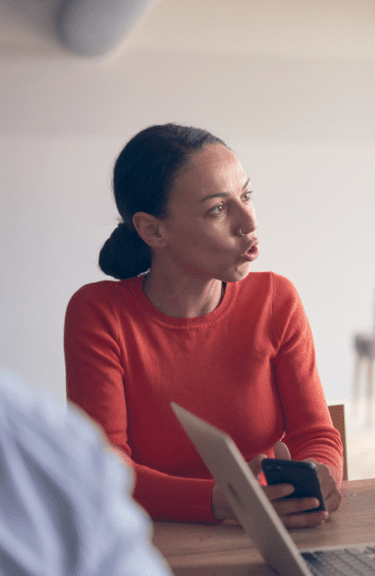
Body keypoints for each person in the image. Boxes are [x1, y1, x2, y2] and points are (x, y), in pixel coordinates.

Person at [64, 123, 343, 527]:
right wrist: (219, 501)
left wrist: (321, 477)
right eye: (218, 208)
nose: (249, 222)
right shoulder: (99, 313)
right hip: (151, 545)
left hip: (273, 532)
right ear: (153, 230)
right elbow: (103, 468)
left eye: (246, 196)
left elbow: (316, 435)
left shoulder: (276, 299)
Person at [0, 367, 171, 576]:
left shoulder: (39, 442)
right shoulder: (32, 441)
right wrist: (212, 496)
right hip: (164, 532)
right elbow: (116, 456)